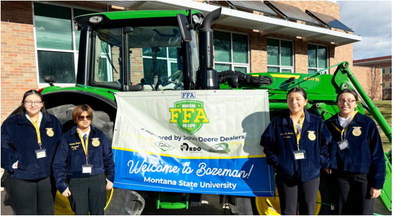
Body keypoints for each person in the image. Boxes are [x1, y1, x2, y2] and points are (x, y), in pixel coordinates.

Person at [260, 87, 333, 215]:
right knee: (288, 211)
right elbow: (267, 144)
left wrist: (320, 161)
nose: (294, 102)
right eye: (290, 99)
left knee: (308, 210)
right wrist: (278, 163)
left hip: (310, 175)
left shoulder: (316, 122)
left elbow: (326, 143)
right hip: (286, 175)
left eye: (298, 99)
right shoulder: (278, 122)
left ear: (305, 101)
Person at [1, 89, 62, 214]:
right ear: (23, 104)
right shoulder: (12, 123)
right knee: (26, 212)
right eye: (29, 102)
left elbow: (61, 147)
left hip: (47, 176)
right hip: (22, 176)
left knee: (47, 212)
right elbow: (2, 147)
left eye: (36, 102)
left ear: (42, 104)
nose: (33, 105)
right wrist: (11, 163)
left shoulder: (53, 122)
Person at [325, 89, 385, 215]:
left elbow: (377, 154)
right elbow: (323, 148)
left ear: (356, 103)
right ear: (337, 103)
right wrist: (327, 163)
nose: (345, 103)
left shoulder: (366, 123)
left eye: (349, 101)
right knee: (342, 212)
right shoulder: (329, 124)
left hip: (363, 177)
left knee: (363, 212)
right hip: (340, 176)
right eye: (341, 100)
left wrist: (377, 184)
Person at [53, 104, 115, 215]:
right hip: (76, 181)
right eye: (81, 117)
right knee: (80, 213)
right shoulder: (67, 138)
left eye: (88, 117)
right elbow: (59, 163)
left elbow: (108, 158)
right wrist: (61, 184)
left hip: (97, 179)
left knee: (98, 213)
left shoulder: (100, 135)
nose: (85, 120)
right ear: (75, 119)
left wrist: (110, 178)